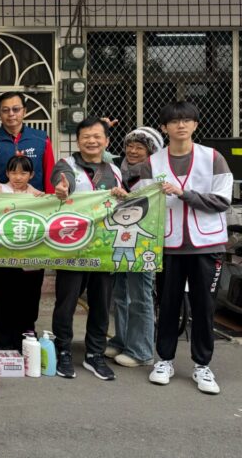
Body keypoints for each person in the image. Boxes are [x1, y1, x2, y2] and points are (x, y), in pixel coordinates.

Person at [134, 101, 232, 395]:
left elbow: (222, 200)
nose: (181, 125)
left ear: (195, 125)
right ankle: (164, 360)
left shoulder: (213, 158)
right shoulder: (153, 163)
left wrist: (184, 194)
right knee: (167, 305)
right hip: (168, 244)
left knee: (204, 306)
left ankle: (203, 365)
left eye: (187, 120)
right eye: (175, 121)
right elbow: (141, 200)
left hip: (206, 244)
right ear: (164, 128)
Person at [0, 92, 55, 343]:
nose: (11, 114)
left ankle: (27, 332)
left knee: (31, 281)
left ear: (24, 111)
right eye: (6, 110)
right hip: (2, 225)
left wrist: (50, 215)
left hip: (33, 224)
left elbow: (50, 178)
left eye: (16, 109)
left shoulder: (41, 139)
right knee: (2, 282)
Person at [49, 116, 125, 381]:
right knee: (66, 303)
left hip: (104, 248)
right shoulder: (66, 164)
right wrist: (63, 187)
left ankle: (95, 354)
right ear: (78, 141)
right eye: (86, 137)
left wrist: (122, 195)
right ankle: (62, 350)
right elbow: (63, 180)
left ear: (106, 141)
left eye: (97, 137)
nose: (91, 141)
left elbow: (124, 202)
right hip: (72, 247)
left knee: (102, 304)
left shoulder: (114, 170)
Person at [105, 127, 163, 368]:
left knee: (140, 295)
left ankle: (141, 350)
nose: (133, 151)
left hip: (143, 244)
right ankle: (122, 340)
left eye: (140, 147)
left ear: (151, 152)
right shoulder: (119, 170)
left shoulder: (156, 174)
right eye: (130, 146)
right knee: (120, 294)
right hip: (121, 240)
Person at [0, 156, 46, 350]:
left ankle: (24, 339)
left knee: (29, 297)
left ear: (31, 175)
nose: (18, 177)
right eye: (14, 172)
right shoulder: (1, 190)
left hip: (31, 257)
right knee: (1, 297)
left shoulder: (40, 197)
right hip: (4, 255)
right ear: (7, 173)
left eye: (23, 173)